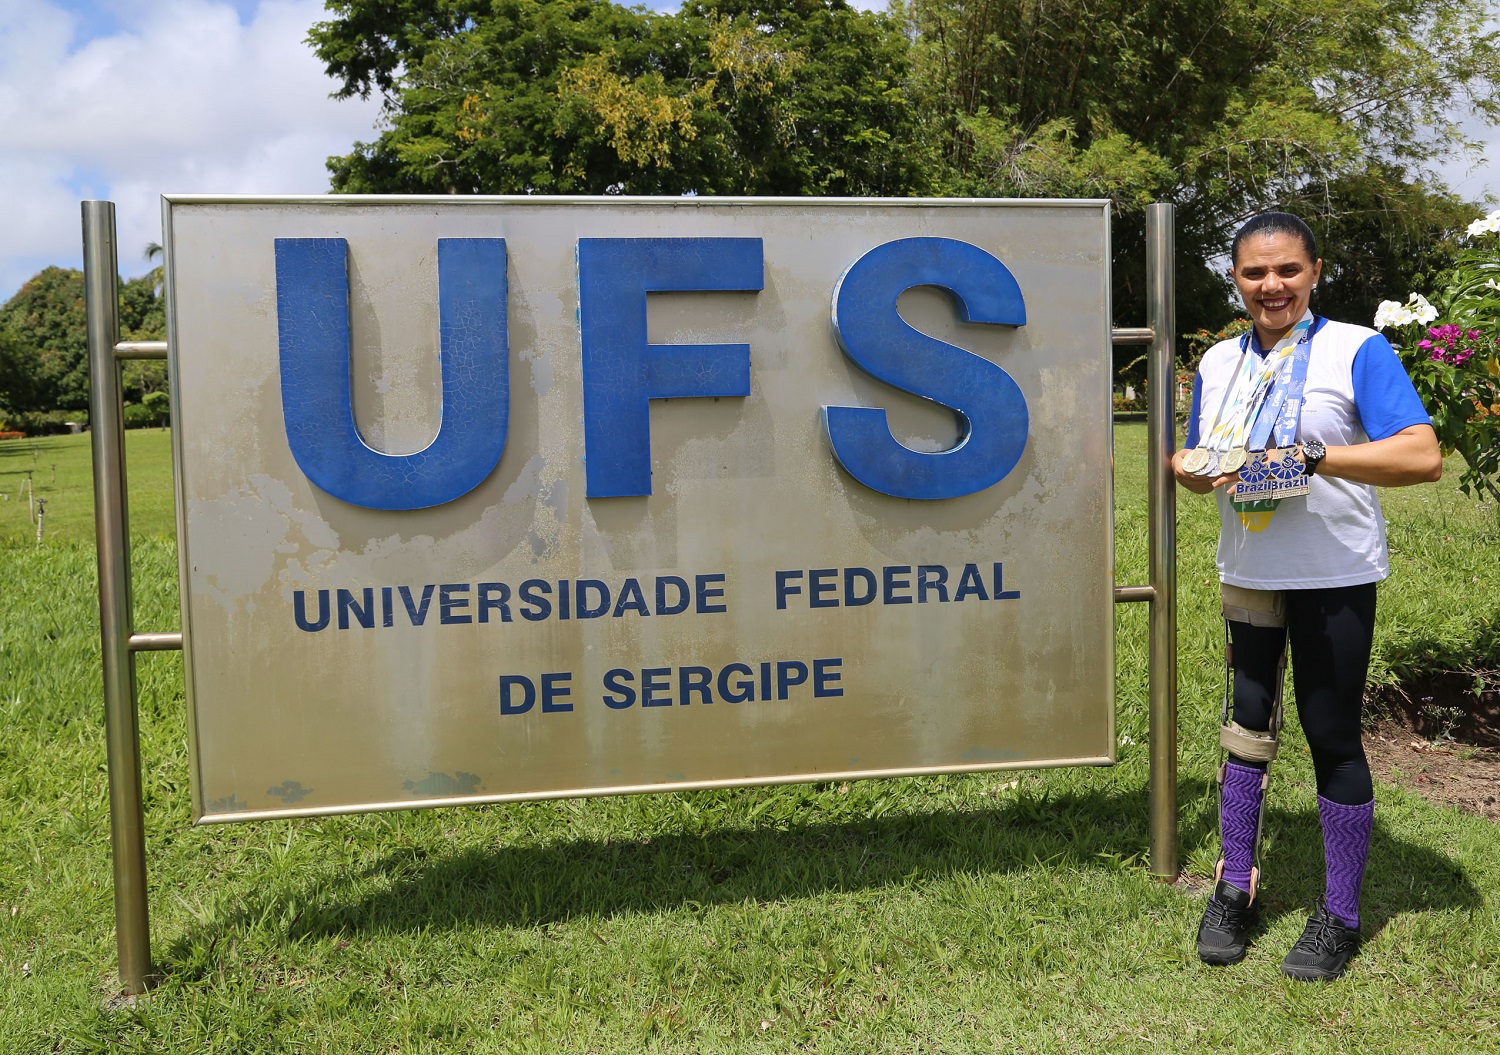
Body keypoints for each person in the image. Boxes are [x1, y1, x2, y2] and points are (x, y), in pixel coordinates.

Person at [1173, 212, 1442, 981]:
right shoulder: (1221, 360)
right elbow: (1199, 458)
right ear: (1237, 279)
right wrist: (1191, 468)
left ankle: (1341, 914)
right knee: (1244, 728)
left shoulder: (1356, 347)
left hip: (1333, 573)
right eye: (1256, 273)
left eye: (1287, 270)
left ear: (1315, 270)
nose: (1272, 286)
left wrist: (1320, 454)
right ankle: (1234, 885)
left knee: (1332, 734)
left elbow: (1421, 454)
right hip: (1251, 566)